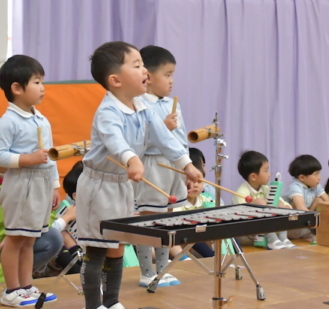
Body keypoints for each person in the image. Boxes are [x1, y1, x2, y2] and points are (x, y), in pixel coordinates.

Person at [76, 41, 202, 309]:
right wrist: (132, 160)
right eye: (137, 66)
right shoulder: (107, 111)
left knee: (117, 245)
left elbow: (165, 138)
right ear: (115, 80)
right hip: (99, 187)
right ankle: (93, 305)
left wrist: (187, 165)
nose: (145, 70)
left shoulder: (144, 107)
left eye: (143, 65)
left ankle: (112, 301)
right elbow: (115, 141)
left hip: (122, 185)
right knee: (97, 247)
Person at [0, 55, 60, 306]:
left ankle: (26, 286)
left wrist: (55, 185)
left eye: (42, 81)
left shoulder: (42, 119)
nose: (42, 87)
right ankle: (11, 290)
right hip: (20, 185)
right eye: (36, 82)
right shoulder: (8, 121)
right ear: (16, 88)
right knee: (15, 238)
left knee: (29, 239)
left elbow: (51, 156)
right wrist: (27, 159)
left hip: (41, 185)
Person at [134, 46, 190, 288]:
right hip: (153, 165)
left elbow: (182, 139)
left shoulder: (171, 103)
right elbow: (135, 142)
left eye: (172, 74)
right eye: (167, 75)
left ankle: (163, 269)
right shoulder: (138, 104)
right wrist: (163, 129)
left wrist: (186, 164)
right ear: (148, 76)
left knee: (167, 221)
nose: (171, 80)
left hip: (172, 167)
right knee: (149, 221)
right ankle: (147, 272)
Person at [233, 151, 295, 249]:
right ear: (253, 176)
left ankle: (283, 238)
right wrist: (256, 205)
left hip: (265, 231)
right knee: (260, 202)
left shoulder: (267, 189)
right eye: (266, 171)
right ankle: (272, 239)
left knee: (279, 203)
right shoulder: (242, 192)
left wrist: (285, 207)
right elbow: (242, 217)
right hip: (247, 233)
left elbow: (286, 205)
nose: (269, 174)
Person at [284, 155, 329, 241]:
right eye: (316, 174)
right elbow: (300, 208)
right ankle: (312, 229)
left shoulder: (315, 185)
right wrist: (316, 222)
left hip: (305, 221)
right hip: (289, 226)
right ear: (302, 177)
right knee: (295, 205)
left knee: (319, 200)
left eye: (319, 173)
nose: (319, 177)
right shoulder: (295, 186)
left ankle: (312, 229)